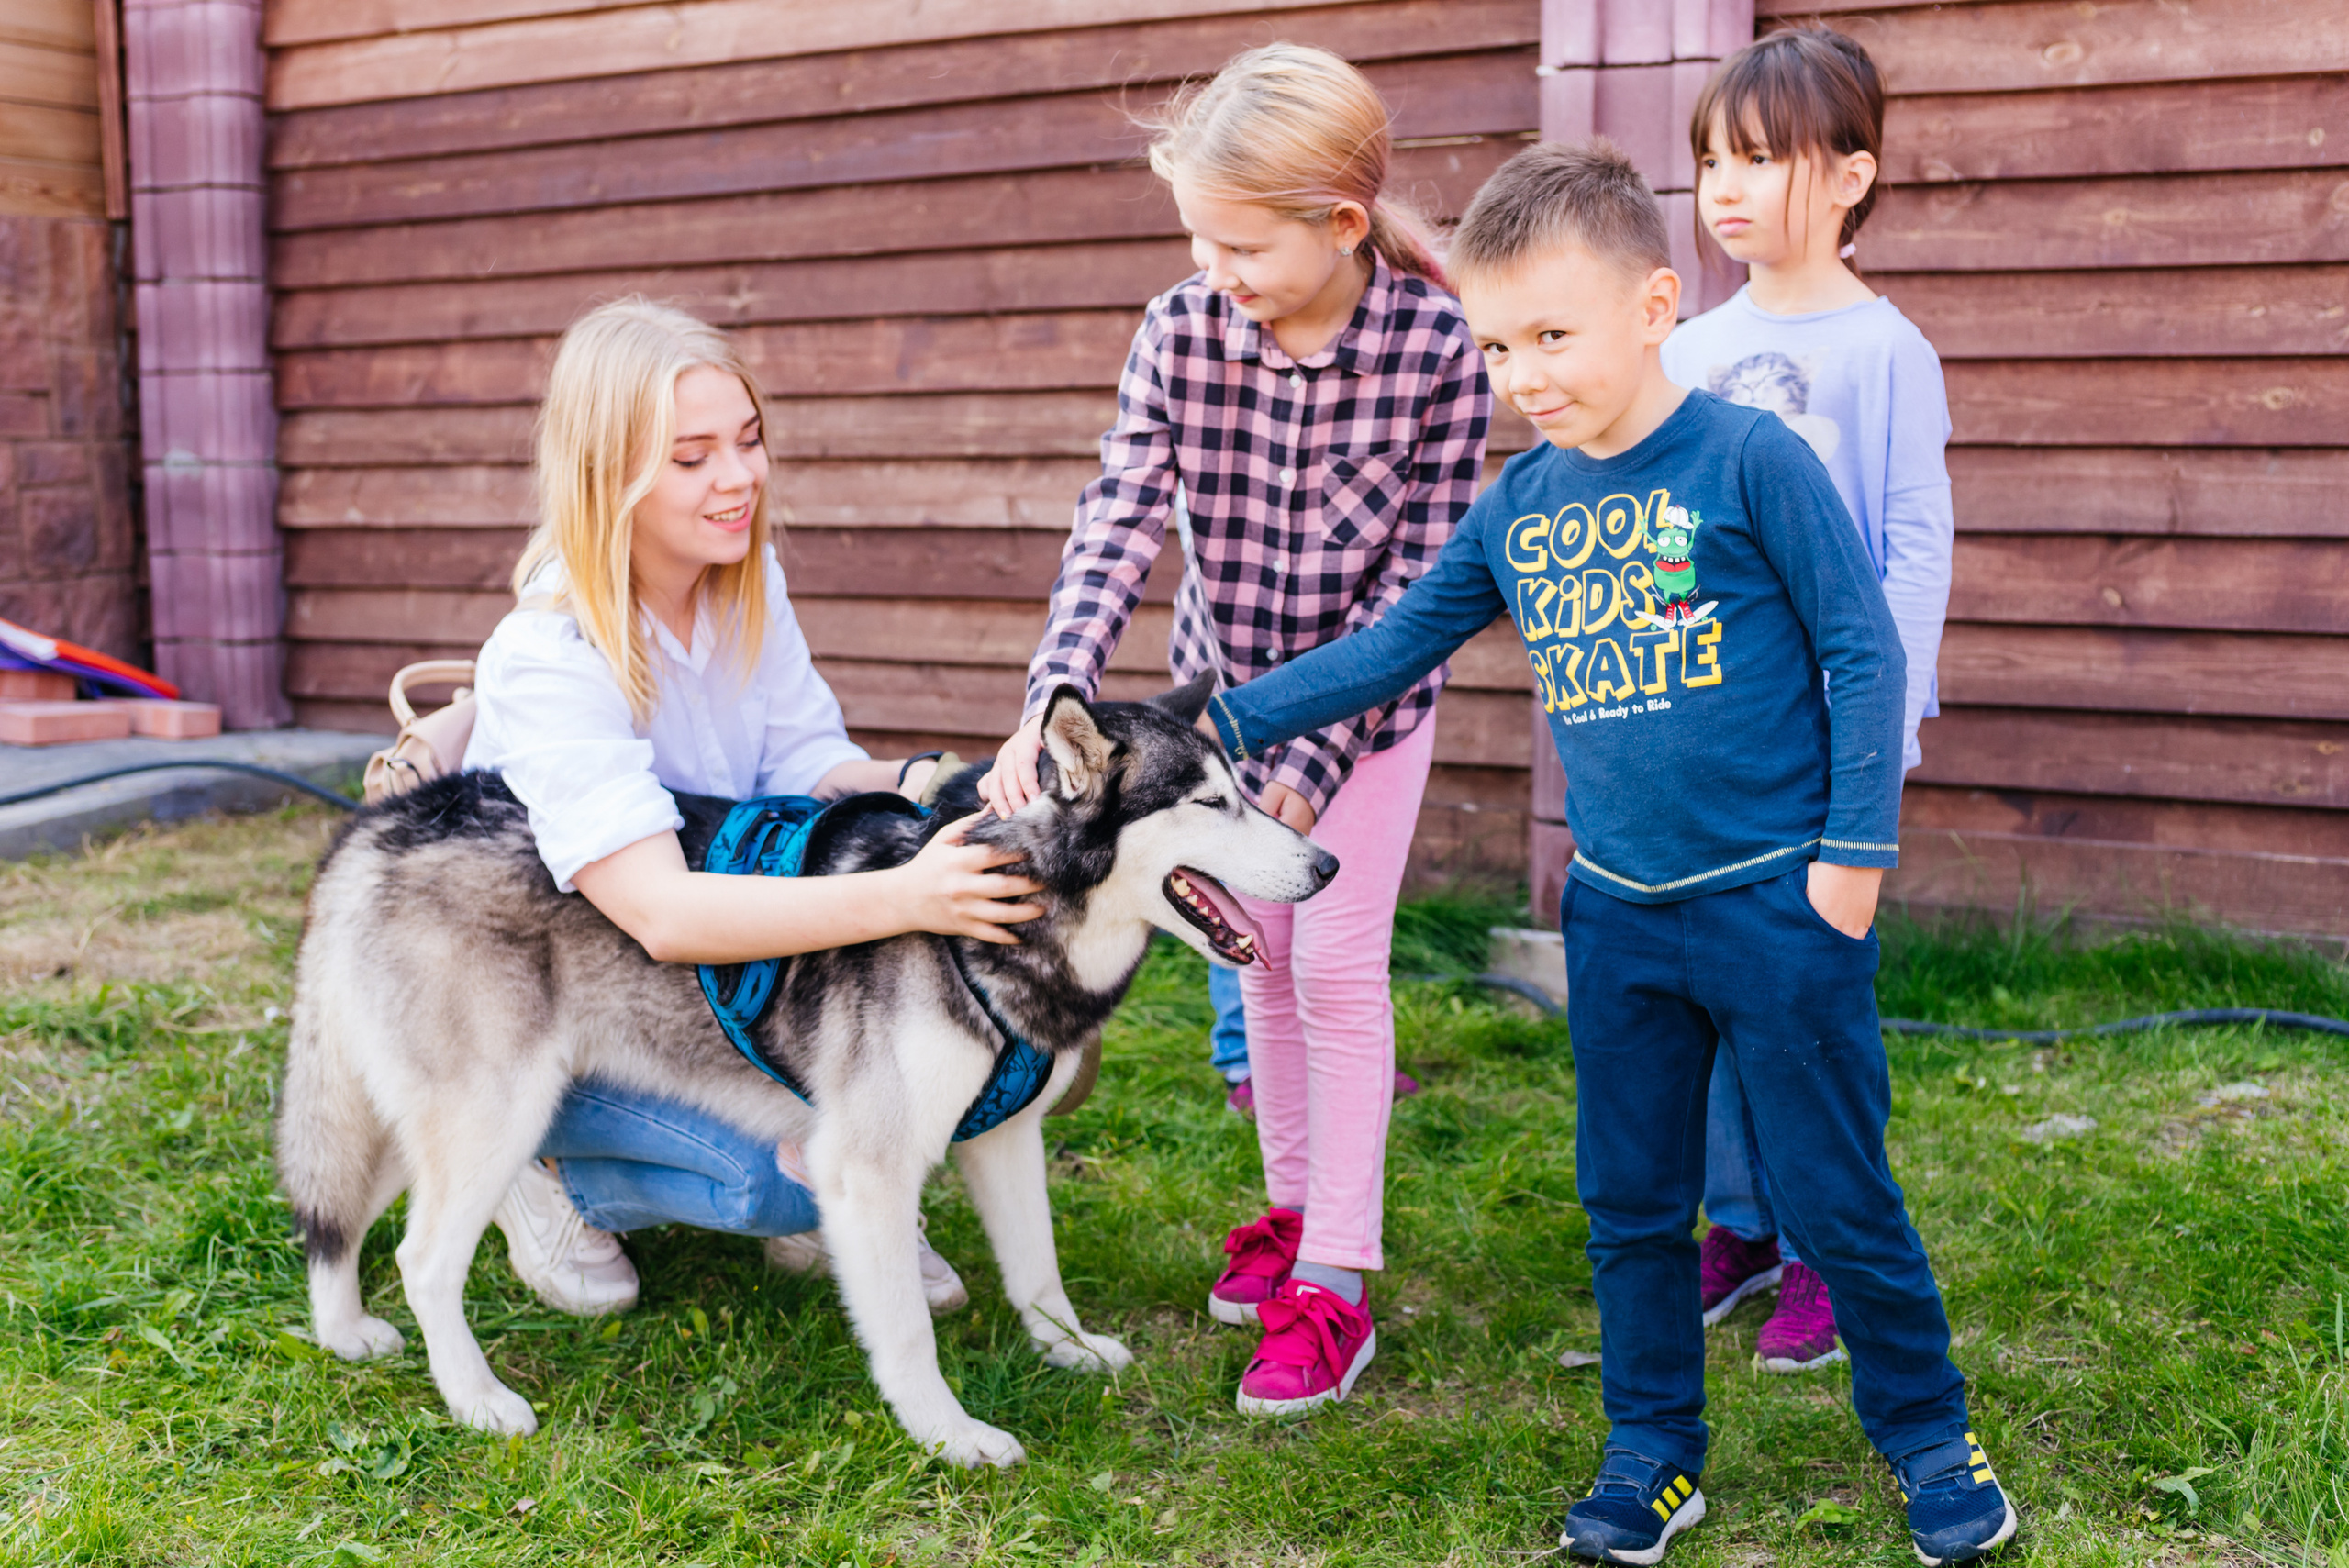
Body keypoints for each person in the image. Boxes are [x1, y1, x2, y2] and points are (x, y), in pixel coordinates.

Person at [1196, 141, 2013, 1564]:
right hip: (1621, 918)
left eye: (1552, 335)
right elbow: (1394, 648)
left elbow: (1861, 653)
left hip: (1781, 903)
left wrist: (1853, 860)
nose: (1524, 373)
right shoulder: (1523, 506)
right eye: (1498, 343)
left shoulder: (1753, 459)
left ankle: (1930, 1439)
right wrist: (1207, 719)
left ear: (1655, 305)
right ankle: (1653, 1453)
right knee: (1630, 1203)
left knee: (1836, 1188)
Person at [977, 43, 1490, 1418]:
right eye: (1199, 239)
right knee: (1257, 949)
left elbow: (1413, 603)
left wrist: (1314, 770)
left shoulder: (1438, 350)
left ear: (1340, 225)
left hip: (1367, 723)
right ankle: (1287, 1208)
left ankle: (1337, 1276)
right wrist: (1057, 690)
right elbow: (1121, 516)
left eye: (1241, 243)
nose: (1216, 269)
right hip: (1221, 713)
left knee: (1332, 962)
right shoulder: (1182, 327)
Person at [463, 299, 1045, 1320]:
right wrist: (912, 894)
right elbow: (663, 913)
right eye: (691, 458)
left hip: (716, 966)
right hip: (570, 995)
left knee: (977, 1040)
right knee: (781, 1174)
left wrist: (942, 787)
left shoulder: (743, 577)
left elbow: (806, 763)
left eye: (747, 439)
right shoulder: (549, 654)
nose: (738, 478)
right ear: (607, 474)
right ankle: (535, 1158)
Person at [1660, 27, 1955, 1377]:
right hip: (1703, 741)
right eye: (1712, 157)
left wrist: (1877, 742)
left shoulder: (1886, 350)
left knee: (1811, 1006)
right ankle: (1742, 1225)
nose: (1725, 186)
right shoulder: (1690, 345)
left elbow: (1910, 545)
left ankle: (1830, 1248)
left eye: (1762, 158)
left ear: (1851, 177)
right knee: (1713, 994)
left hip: (1825, 749)